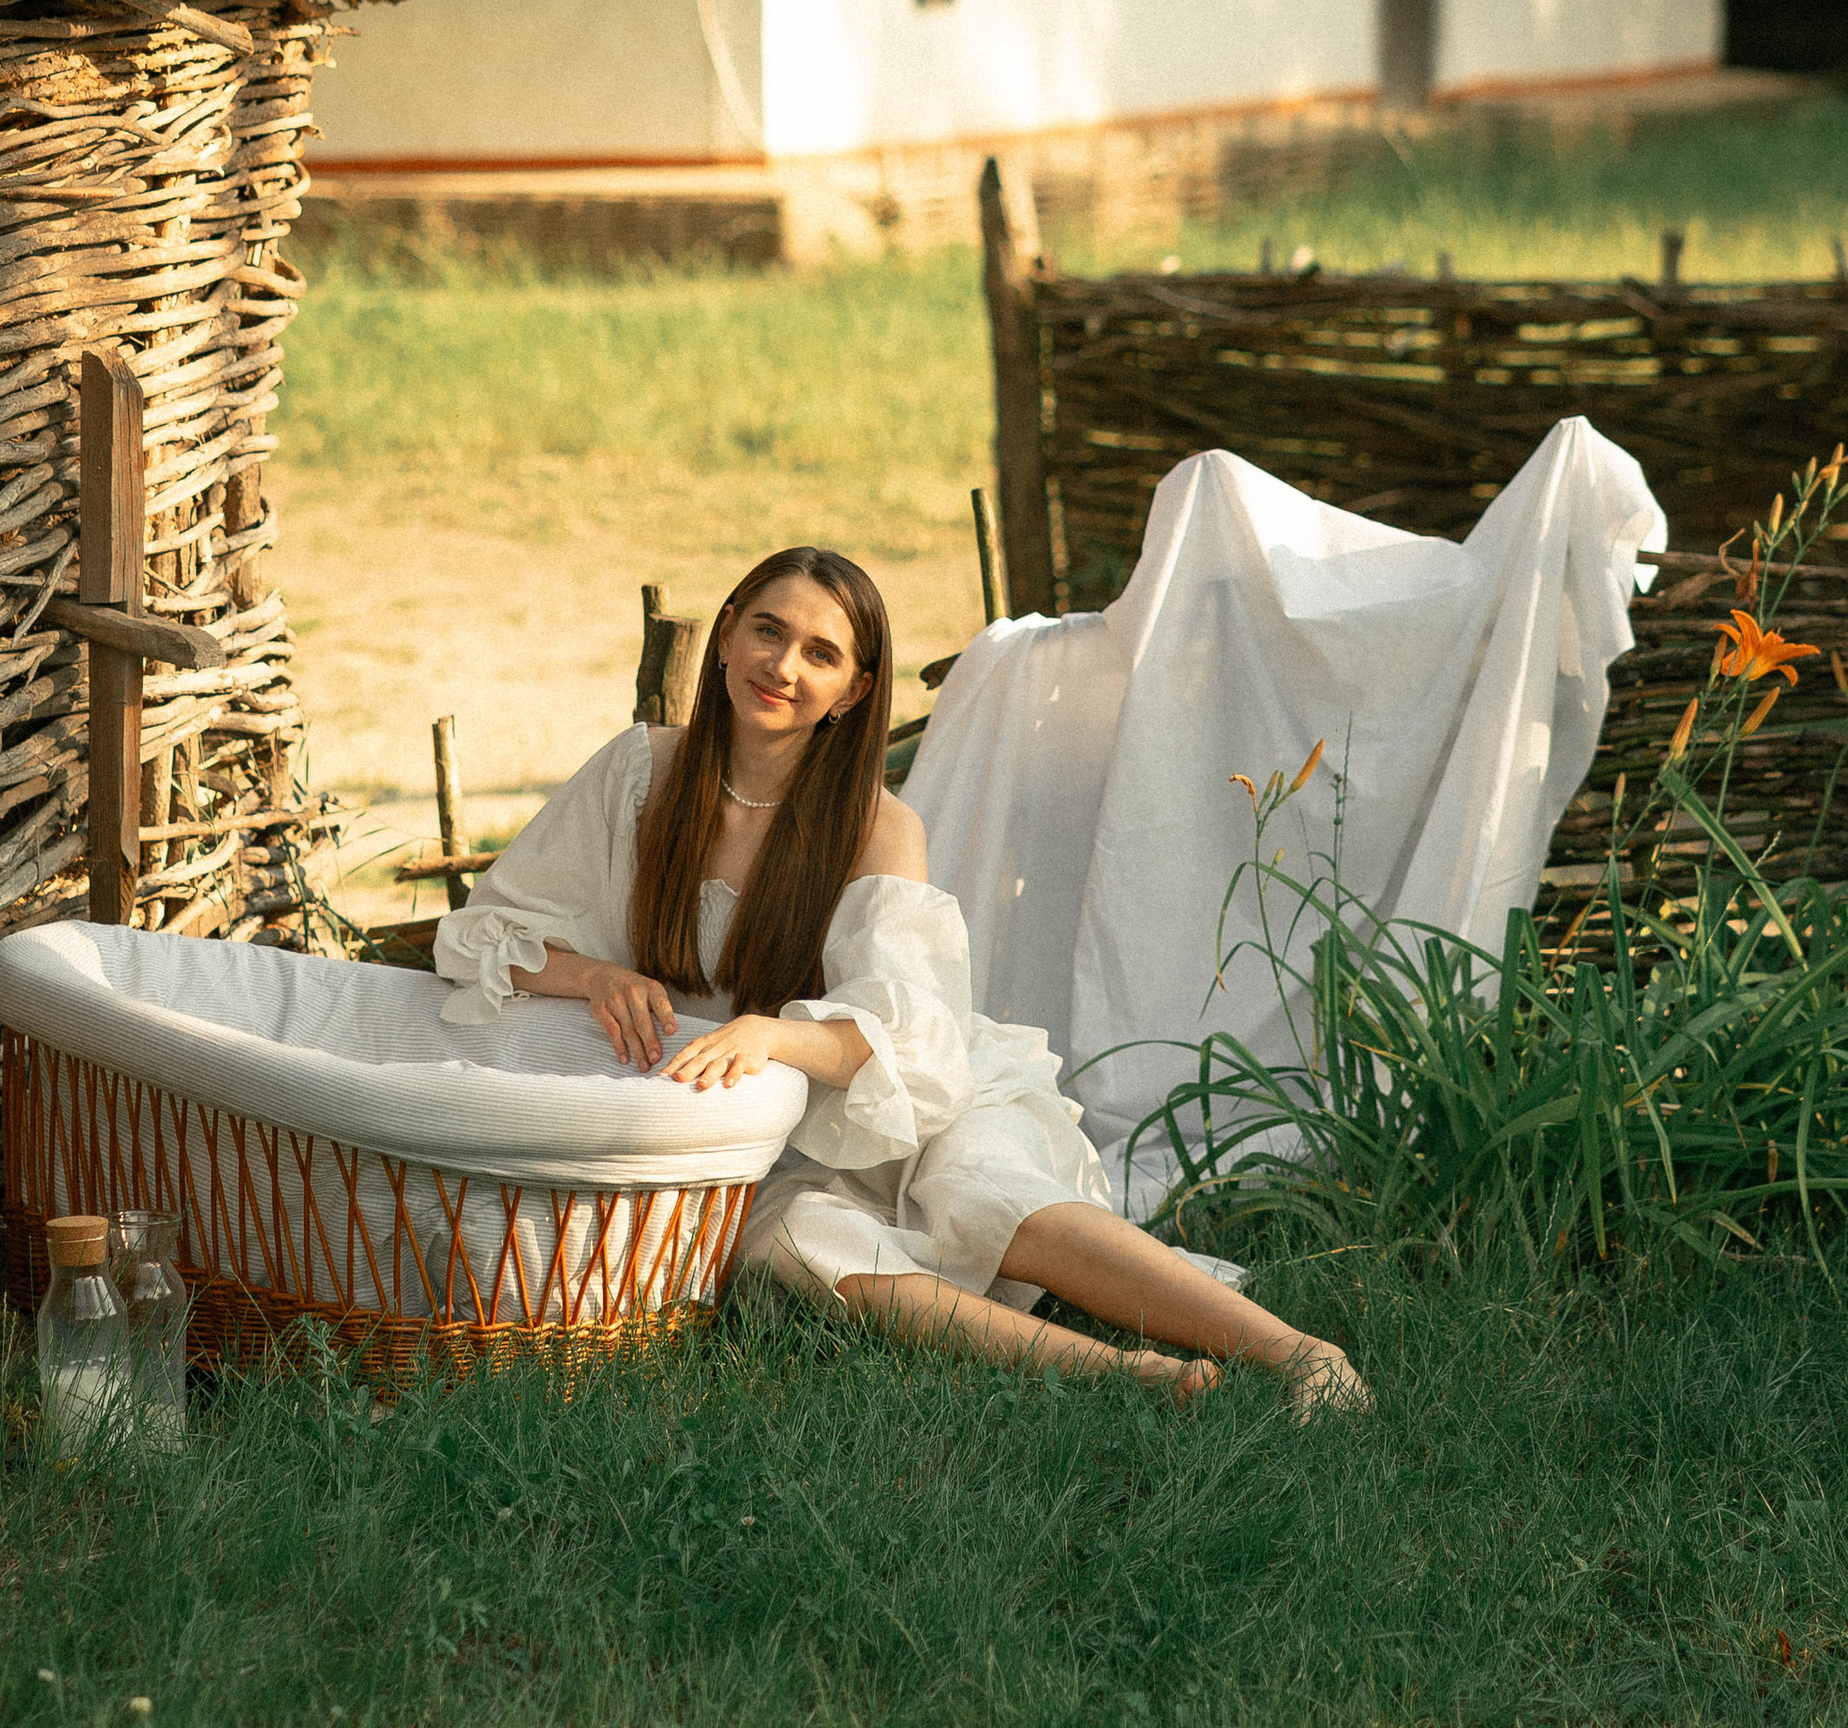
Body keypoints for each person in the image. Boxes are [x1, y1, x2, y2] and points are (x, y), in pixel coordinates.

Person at [436, 545, 1369, 1412]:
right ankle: (1135, 1374)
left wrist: (767, 1034)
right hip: (749, 1134)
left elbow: (908, 1043)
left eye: (821, 653)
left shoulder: (877, 827)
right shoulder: (639, 773)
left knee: (982, 1192)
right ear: (725, 634)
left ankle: (1299, 1353)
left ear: (854, 691)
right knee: (800, 1249)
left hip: (913, 1093)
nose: (784, 667)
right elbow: (484, 932)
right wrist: (596, 973)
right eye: (767, 630)